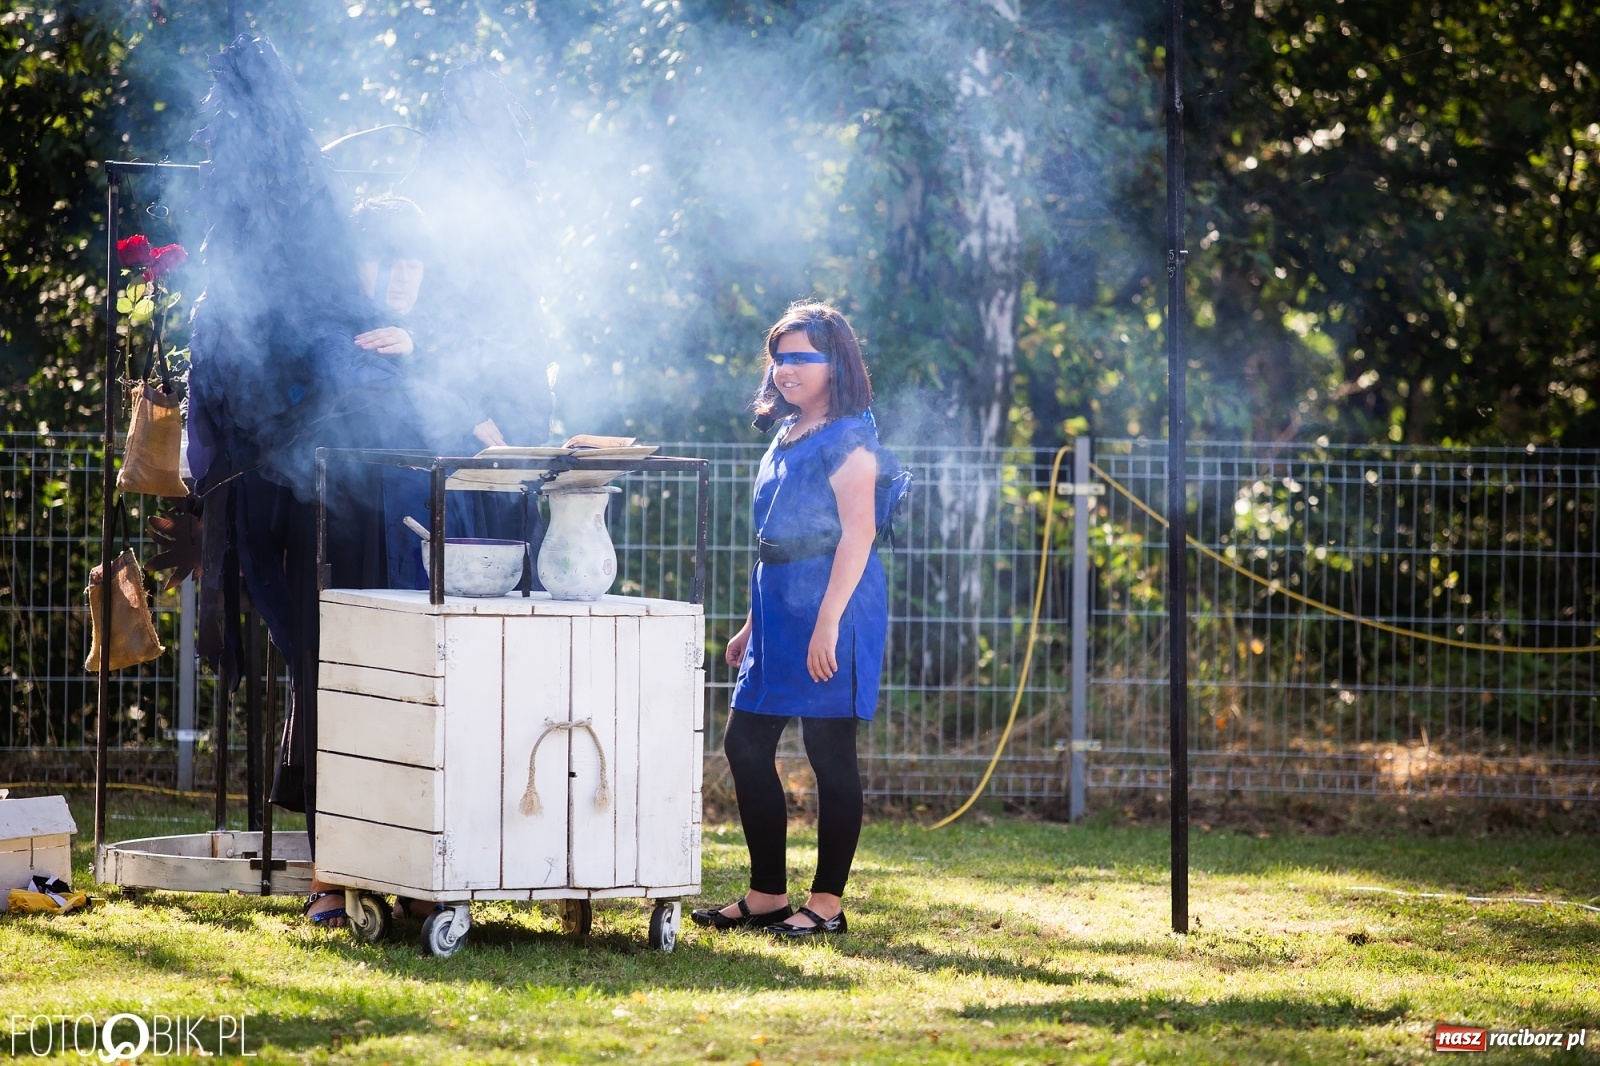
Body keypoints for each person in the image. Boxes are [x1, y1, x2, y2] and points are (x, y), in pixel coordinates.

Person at [690, 300, 900, 938]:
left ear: (834, 362)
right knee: (745, 742)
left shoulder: (851, 439)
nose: (786, 369)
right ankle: (766, 896)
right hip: (777, 606)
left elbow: (857, 536)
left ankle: (827, 905)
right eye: (779, 357)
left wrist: (828, 622)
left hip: (836, 605)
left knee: (828, 751)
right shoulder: (784, 434)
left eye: (801, 356)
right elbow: (775, 539)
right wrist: (754, 625)